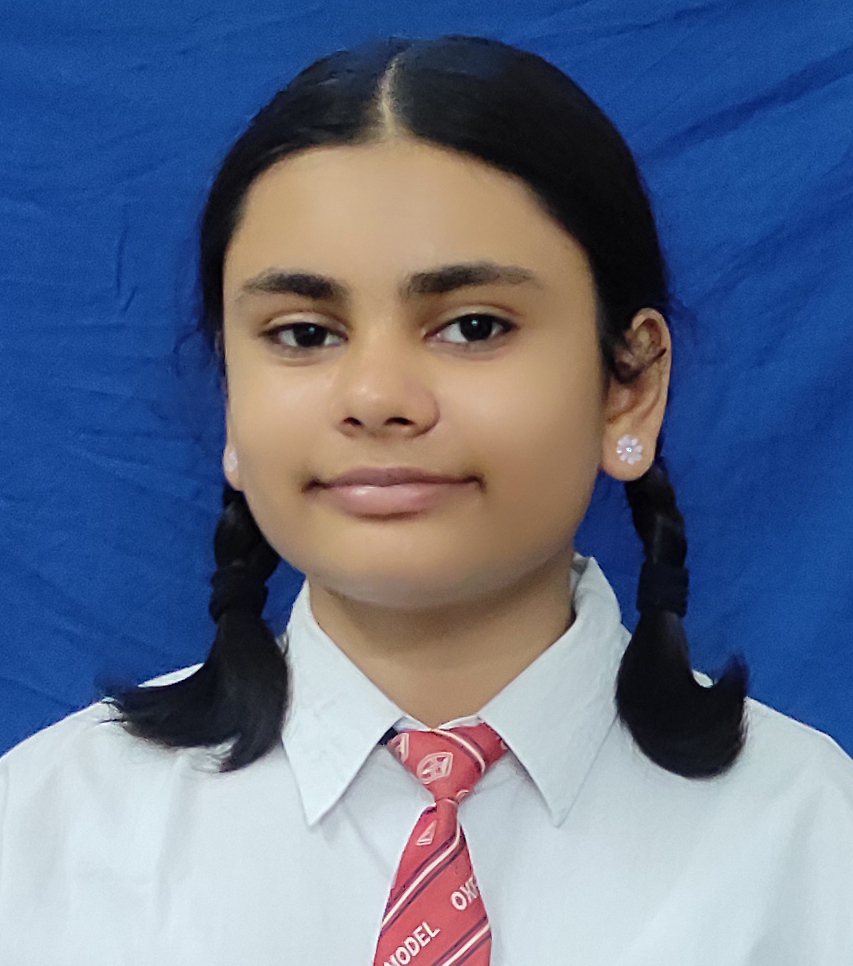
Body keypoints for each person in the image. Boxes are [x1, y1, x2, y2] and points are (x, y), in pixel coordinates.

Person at [1, 33, 851, 965]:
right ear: (231, 397)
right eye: (303, 334)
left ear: (629, 386)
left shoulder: (812, 843)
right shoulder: (46, 837)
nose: (376, 398)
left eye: (472, 326)